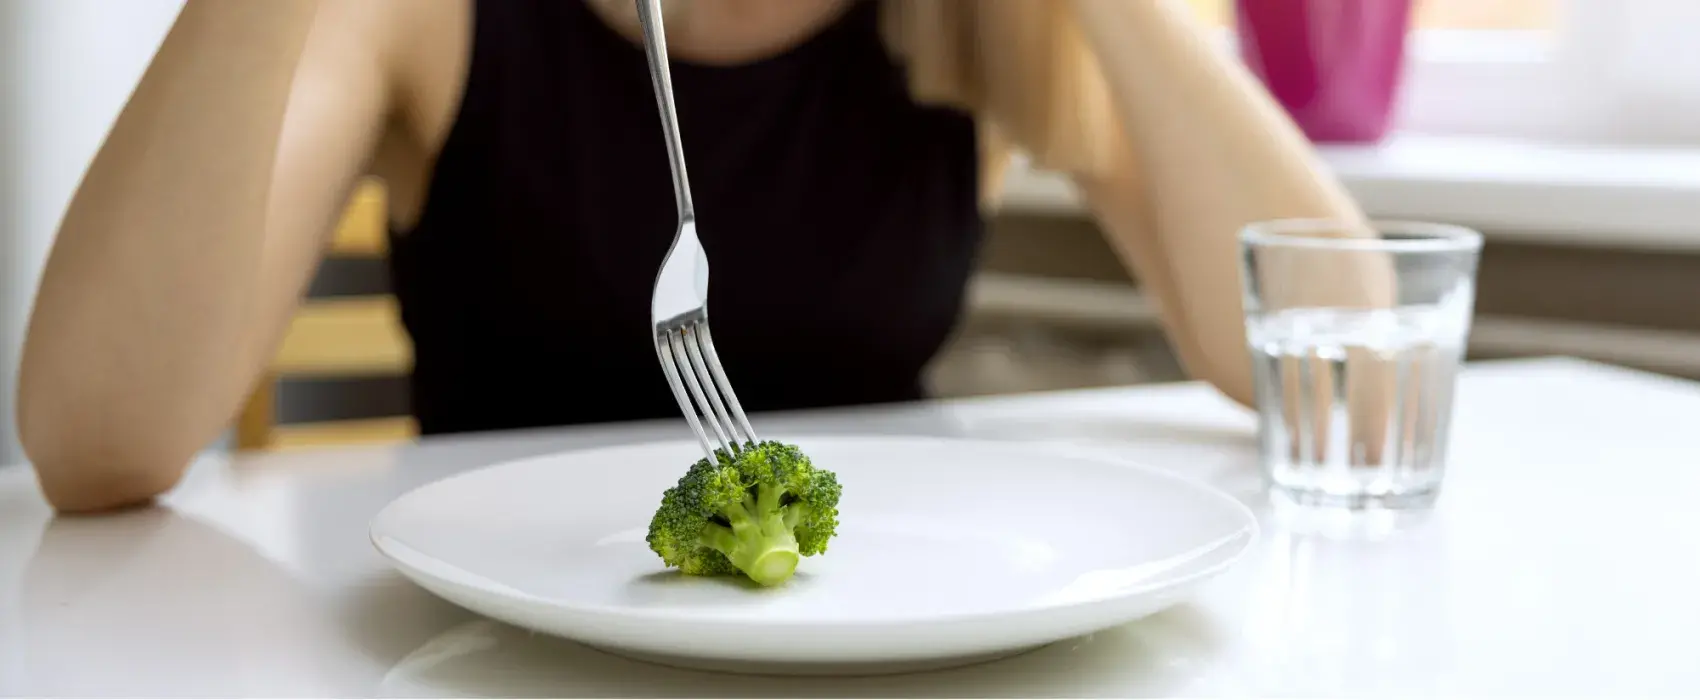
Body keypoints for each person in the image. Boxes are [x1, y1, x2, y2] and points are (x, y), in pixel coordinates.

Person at [16, 0, 1364, 512]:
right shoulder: (426, 12)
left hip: (882, 659)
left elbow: (1349, 364)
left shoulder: (970, 19)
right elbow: (96, 441)